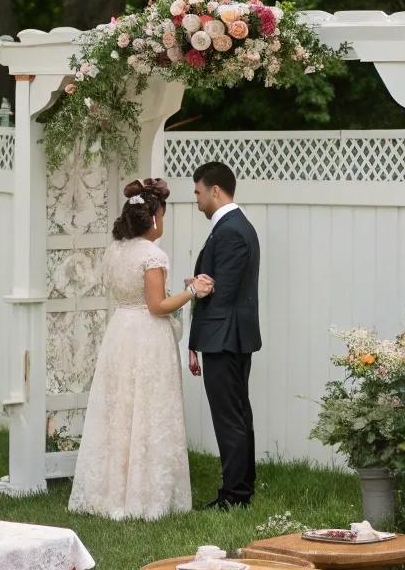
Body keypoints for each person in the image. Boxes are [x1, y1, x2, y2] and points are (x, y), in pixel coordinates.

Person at [69, 177, 213, 521]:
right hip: (147, 337)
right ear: (152, 219)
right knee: (149, 408)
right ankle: (146, 493)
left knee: (119, 410)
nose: (162, 223)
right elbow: (157, 305)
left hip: (120, 332)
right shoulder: (152, 255)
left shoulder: (115, 250)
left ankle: (112, 488)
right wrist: (194, 291)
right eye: (161, 215)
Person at [187, 161, 261, 509]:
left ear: (215, 191)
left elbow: (223, 292)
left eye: (199, 193)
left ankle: (235, 495)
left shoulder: (231, 230)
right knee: (238, 413)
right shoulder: (231, 226)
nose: (197, 200)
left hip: (224, 335)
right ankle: (241, 487)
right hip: (228, 334)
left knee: (229, 416)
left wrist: (197, 288)